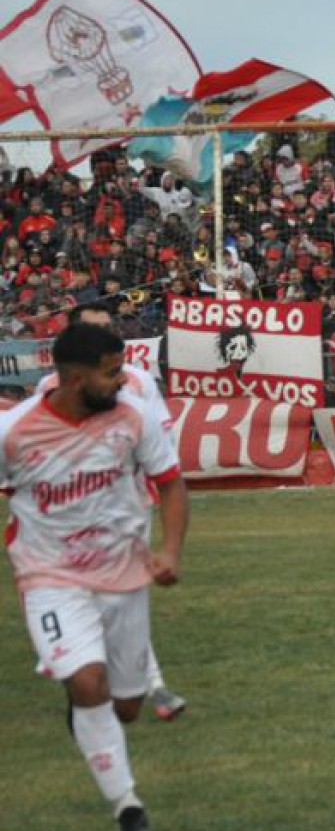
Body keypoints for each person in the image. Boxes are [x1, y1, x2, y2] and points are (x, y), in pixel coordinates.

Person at [3, 322, 189, 831]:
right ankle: (128, 808)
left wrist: (170, 551)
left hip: (124, 574)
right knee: (89, 683)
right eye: (111, 373)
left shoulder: (132, 418)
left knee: (125, 707)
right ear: (75, 377)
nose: (122, 381)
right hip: (50, 576)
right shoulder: (14, 431)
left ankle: (86, 710)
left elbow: (171, 483)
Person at [33, 305, 185, 721]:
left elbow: (161, 437)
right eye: (92, 328)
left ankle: (107, 676)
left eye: (106, 327)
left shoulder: (138, 382)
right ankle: (137, 682)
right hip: (71, 514)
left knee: (123, 593)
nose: (102, 335)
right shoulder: (49, 388)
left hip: (129, 508)